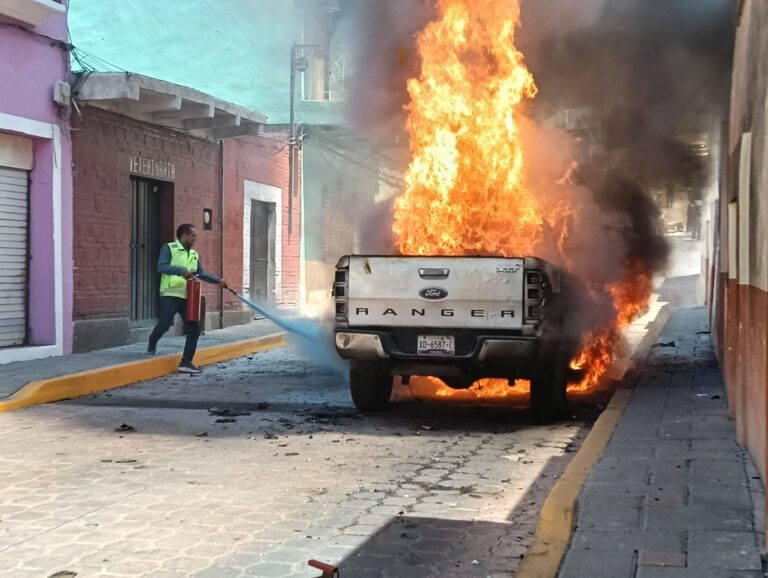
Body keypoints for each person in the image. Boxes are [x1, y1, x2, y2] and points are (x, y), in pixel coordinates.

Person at [147, 224, 228, 373]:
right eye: (193, 236)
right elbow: (161, 267)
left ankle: (186, 362)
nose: (195, 239)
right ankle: (152, 341)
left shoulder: (194, 254)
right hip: (170, 294)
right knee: (164, 325)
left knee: (194, 329)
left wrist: (217, 280)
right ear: (184, 236)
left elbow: (199, 273)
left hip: (187, 297)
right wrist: (181, 271)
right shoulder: (169, 248)